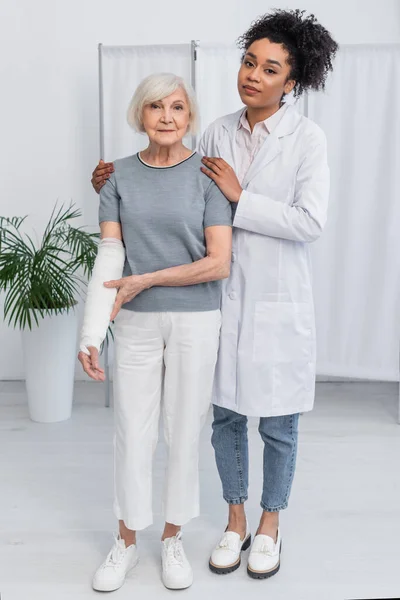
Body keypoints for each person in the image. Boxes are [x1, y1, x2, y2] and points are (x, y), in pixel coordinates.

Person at [91, 8, 338, 581]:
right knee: (224, 417)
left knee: (277, 421)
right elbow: (174, 188)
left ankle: (269, 526)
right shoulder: (217, 131)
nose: (253, 74)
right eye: (248, 62)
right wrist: (114, 183)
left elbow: (309, 222)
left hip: (277, 300)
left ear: (292, 81)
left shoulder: (307, 139)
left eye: (270, 68)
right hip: (215, 298)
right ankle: (234, 520)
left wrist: (240, 196)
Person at [79, 73, 232, 592]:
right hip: (137, 321)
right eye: (155, 107)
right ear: (139, 115)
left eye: (177, 108)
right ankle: (124, 542)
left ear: (190, 116)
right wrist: (91, 333)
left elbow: (218, 264)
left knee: (184, 430)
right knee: (132, 431)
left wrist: (149, 279)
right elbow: (109, 254)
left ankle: (172, 539)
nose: (167, 117)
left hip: (196, 319)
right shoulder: (116, 177)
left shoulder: (209, 176)